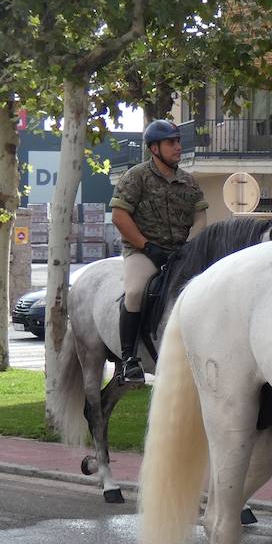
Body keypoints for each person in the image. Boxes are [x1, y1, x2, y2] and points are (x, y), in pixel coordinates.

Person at [108, 119, 208, 384]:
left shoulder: (189, 182)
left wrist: (190, 247)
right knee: (136, 292)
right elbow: (120, 216)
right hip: (143, 251)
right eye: (170, 143)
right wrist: (146, 246)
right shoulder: (136, 176)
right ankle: (129, 360)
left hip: (181, 253)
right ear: (154, 148)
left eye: (178, 142)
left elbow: (200, 218)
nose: (177, 147)